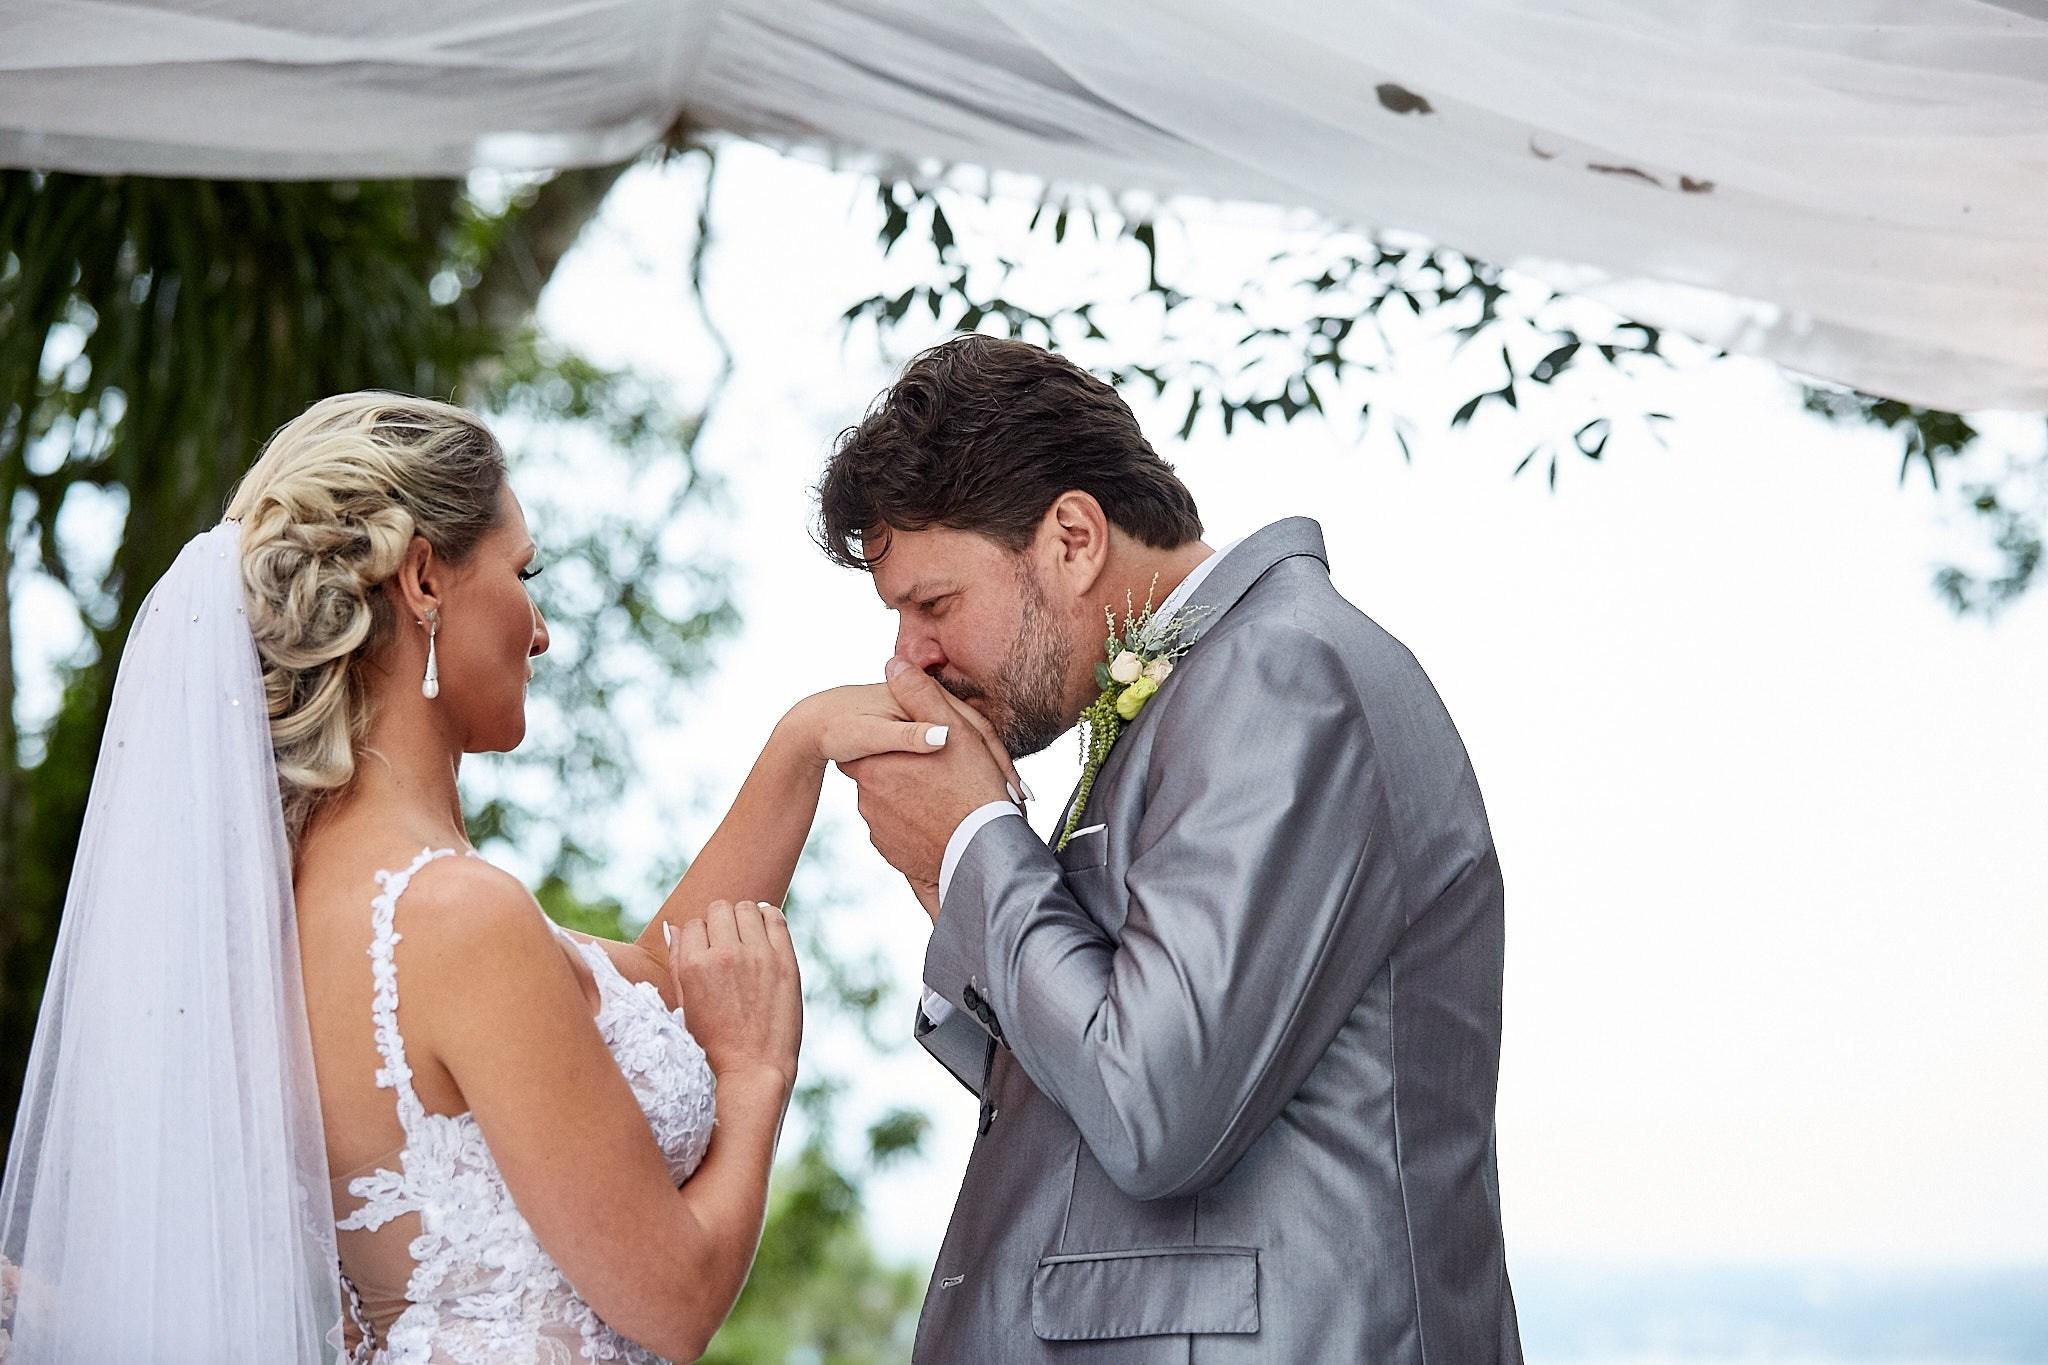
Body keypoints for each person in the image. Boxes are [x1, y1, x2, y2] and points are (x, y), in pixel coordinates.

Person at [0, 392, 1014, 1363]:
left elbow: (651, 987)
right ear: (426, 581)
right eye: (523, 573)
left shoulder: (314, 907)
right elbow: (672, 1300)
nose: (538, 630)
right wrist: (754, 1076)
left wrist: (801, 744)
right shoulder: (453, 917)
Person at [822, 335, 1523, 1363]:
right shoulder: (1204, 686)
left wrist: (978, 843)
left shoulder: (1278, 674)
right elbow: (1095, 1075)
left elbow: (1154, 1102)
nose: (909, 656)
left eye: (933, 604)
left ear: (1070, 537)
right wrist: (951, 879)